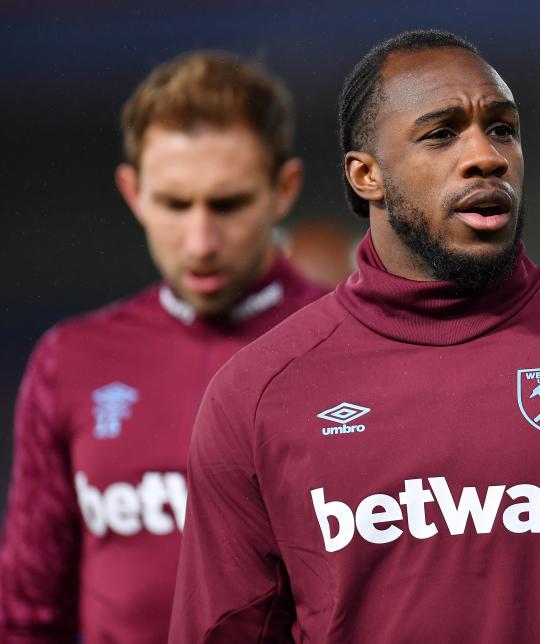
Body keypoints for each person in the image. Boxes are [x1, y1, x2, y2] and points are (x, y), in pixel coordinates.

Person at [170, 30, 540, 642]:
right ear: (365, 175)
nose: (486, 155)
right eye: (441, 134)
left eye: (503, 129)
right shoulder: (256, 396)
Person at [0, 51, 328, 643]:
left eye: (227, 205)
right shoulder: (69, 362)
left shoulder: (353, 347)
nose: (200, 241)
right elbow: (29, 611)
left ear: (284, 189)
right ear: (133, 192)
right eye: (175, 205)